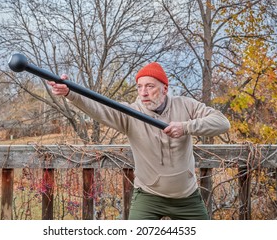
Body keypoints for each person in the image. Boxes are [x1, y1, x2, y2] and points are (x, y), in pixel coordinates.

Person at [48, 62, 230, 220]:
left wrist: (185, 127)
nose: (143, 92)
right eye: (139, 87)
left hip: (187, 197)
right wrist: (70, 93)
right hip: (148, 196)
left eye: (150, 86)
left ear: (165, 89)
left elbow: (222, 123)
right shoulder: (131, 113)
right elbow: (98, 108)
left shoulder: (186, 105)